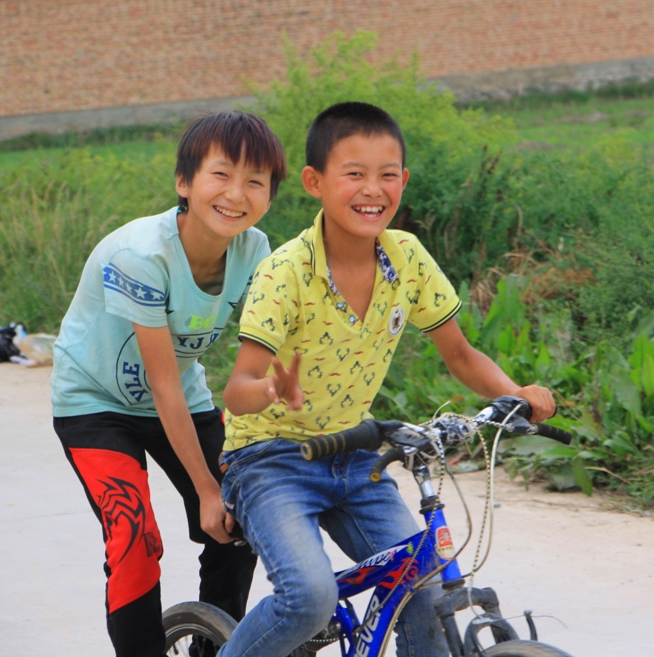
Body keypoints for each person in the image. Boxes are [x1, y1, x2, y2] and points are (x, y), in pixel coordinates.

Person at [217, 101, 556, 657]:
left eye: (387, 174)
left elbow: (461, 354)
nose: (372, 189)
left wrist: (515, 395)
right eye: (354, 174)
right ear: (314, 182)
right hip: (270, 460)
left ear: (403, 180)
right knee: (309, 597)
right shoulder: (285, 272)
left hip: (358, 457)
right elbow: (238, 388)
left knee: (425, 581)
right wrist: (273, 389)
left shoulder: (408, 257)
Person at [51, 110, 287, 657]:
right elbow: (161, 387)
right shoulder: (142, 255)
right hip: (94, 404)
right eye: (221, 175)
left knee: (238, 518)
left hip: (186, 394)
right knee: (135, 538)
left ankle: (216, 648)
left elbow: (274, 352)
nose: (236, 194)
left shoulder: (255, 251)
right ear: (184, 183)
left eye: (255, 181)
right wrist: (204, 488)